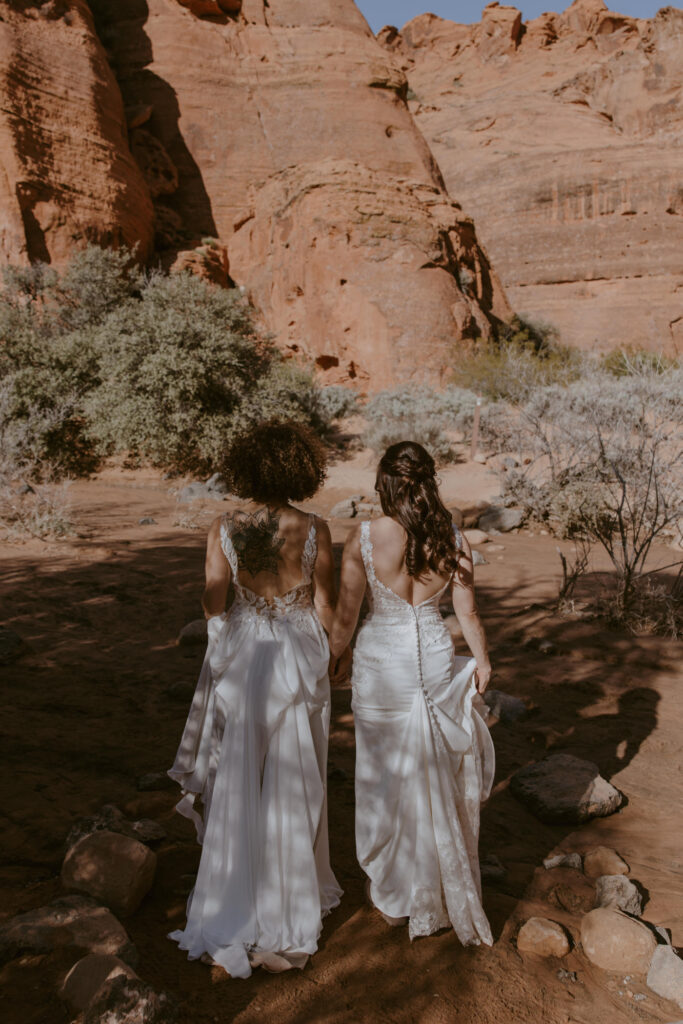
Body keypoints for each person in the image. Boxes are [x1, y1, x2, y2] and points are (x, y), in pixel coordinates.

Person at [167, 420, 342, 979]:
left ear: (246, 465)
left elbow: (215, 602)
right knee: (294, 776)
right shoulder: (315, 527)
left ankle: (230, 901)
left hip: (246, 659)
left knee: (240, 775)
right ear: (300, 467)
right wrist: (335, 657)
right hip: (296, 656)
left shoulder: (224, 526)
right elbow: (326, 605)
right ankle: (288, 904)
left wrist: (229, 602)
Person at [330, 440, 494, 944]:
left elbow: (346, 615)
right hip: (433, 658)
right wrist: (483, 660)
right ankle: (434, 886)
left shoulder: (365, 537)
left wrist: (334, 659)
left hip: (381, 666)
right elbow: (465, 613)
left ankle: (395, 892)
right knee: (430, 772)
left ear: (386, 483)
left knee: (382, 777)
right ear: (427, 484)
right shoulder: (452, 539)